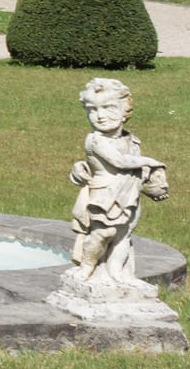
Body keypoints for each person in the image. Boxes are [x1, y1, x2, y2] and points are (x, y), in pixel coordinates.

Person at [64, 77, 168, 294]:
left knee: (123, 235)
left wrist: (153, 185)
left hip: (128, 193)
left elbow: (136, 170)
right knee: (103, 232)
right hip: (104, 194)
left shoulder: (132, 141)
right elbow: (120, 162)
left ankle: (119, 274)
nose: (100, 116)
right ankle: (86, 268)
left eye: (108, 108)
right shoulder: (95, 140)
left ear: (125, 111)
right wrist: (151, 161)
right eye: (92, 110)